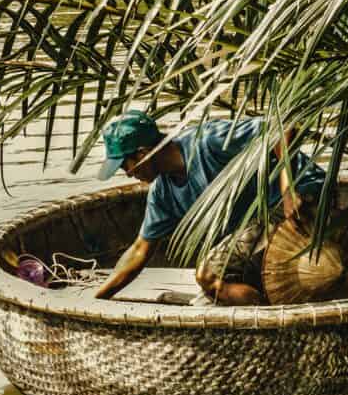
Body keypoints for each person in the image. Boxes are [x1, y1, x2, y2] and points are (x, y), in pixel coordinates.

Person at [92, 111, 325, 304]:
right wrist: (99, 298)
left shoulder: (208, 141)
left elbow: (281, 126)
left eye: (126, 166)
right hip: (259, 228)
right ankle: (268, 307)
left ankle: (272, 320)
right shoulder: (162, 193)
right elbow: (140, 250)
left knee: (208, 274)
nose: (128, 174)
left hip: (306, 195)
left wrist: (288, 188)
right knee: (216, 289)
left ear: (142, 154)